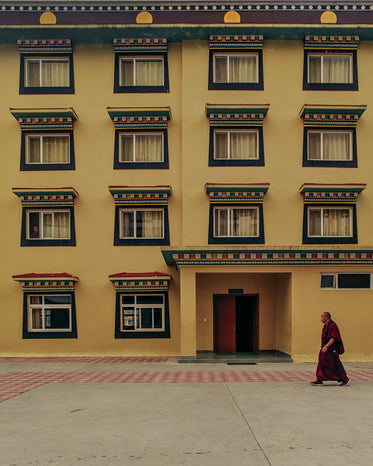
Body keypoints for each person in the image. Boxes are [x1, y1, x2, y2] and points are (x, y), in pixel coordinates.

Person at [311, 312, 349, 386]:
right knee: (321, 363)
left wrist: (326, 346)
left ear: (326, 317)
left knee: (336, 364)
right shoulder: (326, 326)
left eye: (322, 317)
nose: (321, 319)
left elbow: (333, 338)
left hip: (332, 349)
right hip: (325, 348)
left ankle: (344, 379)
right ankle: (320, 379)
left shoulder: (333, 325)